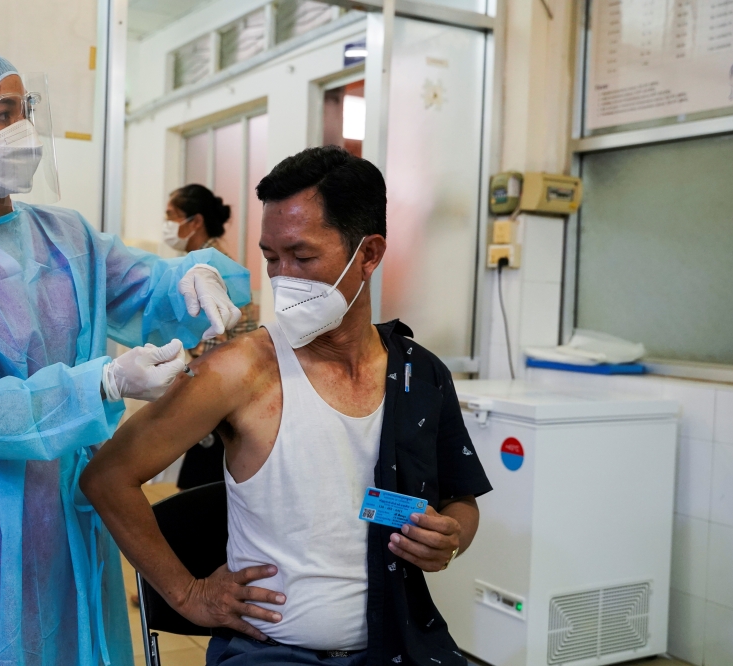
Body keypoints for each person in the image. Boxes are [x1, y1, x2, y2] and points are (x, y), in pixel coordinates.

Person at [0, 39, 250, 666]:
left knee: (83, 643)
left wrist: (197, 278)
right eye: (1, 113)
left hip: (78, 502)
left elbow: (148, 287)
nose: (22, 127)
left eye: (26, 108)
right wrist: (98, 384)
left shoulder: (65, 235)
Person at [81, 146, 493, 666]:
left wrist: (452, 540)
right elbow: (107, 476)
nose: (283, 279)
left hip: (399, 645)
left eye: (302, 257)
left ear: (368, 254)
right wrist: (187, 594)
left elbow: (462, 502)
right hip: (271, 654)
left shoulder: (418, 374)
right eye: (271, 258)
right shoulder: (241, 371)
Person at [162, 185, 258, 489]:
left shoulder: (213, 273)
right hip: (214, 396)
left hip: (219, 400)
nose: (166, 225)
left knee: (202, 493)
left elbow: (214, 351)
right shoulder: (200, 266)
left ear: (196, 222)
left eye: (171, 216)